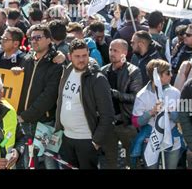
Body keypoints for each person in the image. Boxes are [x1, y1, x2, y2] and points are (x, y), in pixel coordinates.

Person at [55, 39, 114, 169]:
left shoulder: (97, 79)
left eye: (84, 55)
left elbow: (108, 114)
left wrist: (96, 142)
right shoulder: (68, 71)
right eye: (77, 56)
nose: (81, 60)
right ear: (70, 57)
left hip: (86, 141)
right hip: (66, 138)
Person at [13, 24, 63, 169]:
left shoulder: (56, 63)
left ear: (49, 40)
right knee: (28, 161)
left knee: (50, 161)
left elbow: (49, 96)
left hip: (45, 122)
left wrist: (25, 116)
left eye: (38, 37)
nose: (34, 41)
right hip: (24, 120)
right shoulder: (27, 59)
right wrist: (16, 74)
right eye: (31, 38)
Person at [131, 59, 183, 169]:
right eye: (168, 72)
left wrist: (168, 111)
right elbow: (136, 122)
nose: (171, 75)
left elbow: (180, 118)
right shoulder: (142, 95)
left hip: (172, 138)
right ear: (157, 75)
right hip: (150, 138)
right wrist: (152, 112)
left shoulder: (175, 92)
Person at [100, 39, 143, 168]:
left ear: (124, 53)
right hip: (108, 123)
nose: (112, 53)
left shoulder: (133, 71)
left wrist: (114, 93)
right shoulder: (104, 70)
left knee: (132, 160)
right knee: (110, 160)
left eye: (115, 50)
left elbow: (137, 98)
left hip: (126, 123)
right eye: (110, 50)